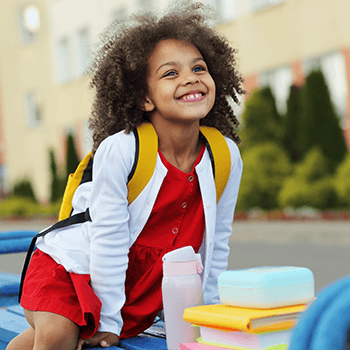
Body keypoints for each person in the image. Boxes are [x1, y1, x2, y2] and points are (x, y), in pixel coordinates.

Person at [7, 3, 244, 350]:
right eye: (170, 74)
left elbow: (216, 240)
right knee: (58, 333)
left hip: (136, 286)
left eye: (199, 68)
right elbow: (108, 241)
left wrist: (208, 312)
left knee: (48, 339)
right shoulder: (122, 150)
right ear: (145, 97)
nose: (190, 78)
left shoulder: (224, 156)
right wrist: (107, 320)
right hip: (74, 267)